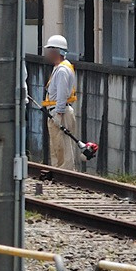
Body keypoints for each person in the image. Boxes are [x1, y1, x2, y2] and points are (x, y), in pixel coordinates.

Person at [42, 35, 82, 170]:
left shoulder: (62, 70)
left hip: (61, 113)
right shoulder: (60, 68)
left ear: (55, 51)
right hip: (59, 111)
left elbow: (62, 94)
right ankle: (60, 172)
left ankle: (64, 173)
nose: (47, 54)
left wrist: (58, 114)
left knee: (62, 147)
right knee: (58, 147)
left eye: (49, 50)